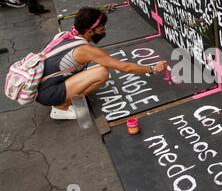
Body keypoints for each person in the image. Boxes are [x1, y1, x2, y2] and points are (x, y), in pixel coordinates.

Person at [36, 7, 167, 120]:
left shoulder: (65, 35)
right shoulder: (85, 50)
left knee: (98, 68)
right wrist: (153, 68)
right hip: (48, 93)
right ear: (89, 32)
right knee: (101, 72)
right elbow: (125, 67)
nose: (104, 32)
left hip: (44, 87)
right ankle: (61, 107)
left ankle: (64, 97)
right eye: (101, 29)